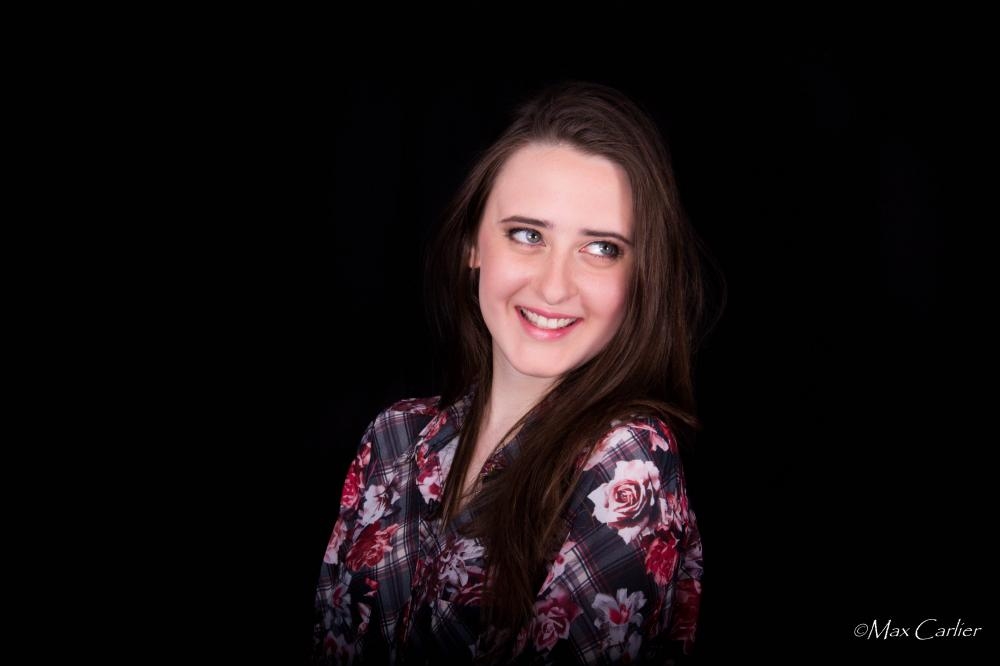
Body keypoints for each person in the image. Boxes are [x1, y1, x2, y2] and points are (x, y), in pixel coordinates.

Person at [312, 80, 722, 664]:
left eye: (601, 248)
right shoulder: (392, 437)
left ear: (640, 277)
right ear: (473, 244)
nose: (554, 287)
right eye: (528, 235)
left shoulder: (628, 460)